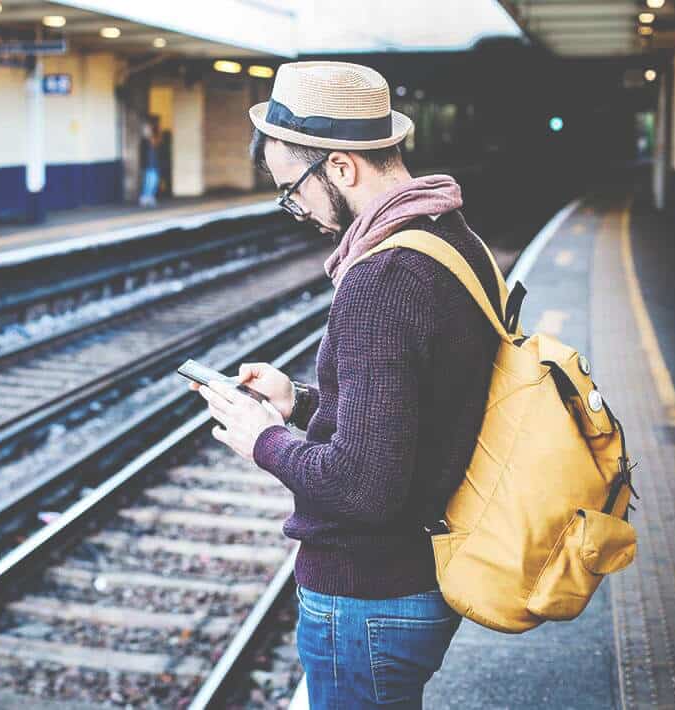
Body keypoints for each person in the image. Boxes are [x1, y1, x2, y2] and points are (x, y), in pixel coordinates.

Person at [193, 61, 503, 707]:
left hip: (369, 596)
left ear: (340, 167)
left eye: (292, 188)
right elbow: (414, 411)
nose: (295, 208)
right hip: (415, 575)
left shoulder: (381, 279)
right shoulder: (452, 237)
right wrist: (299, 401)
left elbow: (363, 486)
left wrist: (264, 439)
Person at [138, 119, 160, 207]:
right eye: (147, 129)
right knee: (149, 181)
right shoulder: (144, 141)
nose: (148, 130)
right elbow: (143, 154)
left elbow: (155, 145)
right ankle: (145, 198)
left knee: (154, 181)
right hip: (148, 164)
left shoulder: (152, 139)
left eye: (149, 129)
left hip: (154, 163)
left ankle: (149, 197)